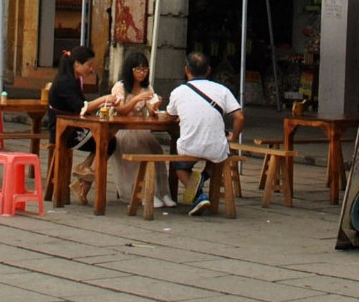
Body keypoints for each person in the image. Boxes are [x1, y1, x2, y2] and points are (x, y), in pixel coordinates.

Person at [166, 50, 243, 217]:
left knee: (178, 165)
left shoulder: (178, 92)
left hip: (189, 148)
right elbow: (239, 117)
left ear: (186, 70)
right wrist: (234, 137)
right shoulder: (221, 89)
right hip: (217, 149)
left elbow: (170, 117)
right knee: (220, 152)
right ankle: (203, 176)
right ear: (208, 70)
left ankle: (199, 196)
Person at [89, 51, 164, 208]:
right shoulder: (120, 87)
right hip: (122, 129)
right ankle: (142, 193)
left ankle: (161, 192)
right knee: (142, 151)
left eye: (145, 69)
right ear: (130, 70)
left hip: (141, 129)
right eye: (138, 69)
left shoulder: (147, 87)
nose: (142, 73)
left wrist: (154, 107)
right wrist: (136, 99)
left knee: (157, 150)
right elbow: (121, 110)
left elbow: (150, 111)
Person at [47, 46, 100, 201]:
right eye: (89, 65)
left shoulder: (74, 79)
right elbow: (80, 107)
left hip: (70, 127)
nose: (91, 69)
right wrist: (103, 100)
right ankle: (82, 180)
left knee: (108, 141)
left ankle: (83, 173)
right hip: (62, 131)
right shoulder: (65, 82)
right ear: (77, 64)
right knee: (106, 143)